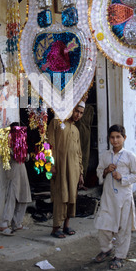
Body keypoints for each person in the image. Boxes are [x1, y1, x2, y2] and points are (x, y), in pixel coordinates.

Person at [94, 124, 136, 269]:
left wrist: (122, 178)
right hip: (108, 196)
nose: (115, 140)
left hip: (123, 197)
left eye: (118, 137)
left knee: (123, 227)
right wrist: (106, 170)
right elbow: (99, 172)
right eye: (112, 137)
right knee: (103, 225)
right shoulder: (105, 155)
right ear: (109, 139)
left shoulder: (129, 156)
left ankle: (119, 255)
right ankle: (106, 249)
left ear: (124, 138)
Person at [47, 102, 85, 238]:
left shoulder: (76, 130)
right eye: (77, 111)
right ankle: (55, 227)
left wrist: (80, 172)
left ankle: (66, 225)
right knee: (60, 195)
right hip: (60, 167)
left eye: (81, 113)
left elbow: (79, 153)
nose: (78, 115)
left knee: (71, 197)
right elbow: (49, 144)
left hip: (74, 169)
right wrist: (50, 164)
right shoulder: (56, 122)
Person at [0, 123, 32, 236]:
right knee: (12, 198)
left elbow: (26, 158)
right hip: (13, 172)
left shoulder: (21, 143)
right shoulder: (7, 144)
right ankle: (4, 223)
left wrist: (23, 146)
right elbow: (15, 156)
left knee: (24, 196)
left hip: (22, 172)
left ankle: (17, 222)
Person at [75, 92, 94, 180]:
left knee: (85, 156)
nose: (84, 97)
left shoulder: (89, 109)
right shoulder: (73, 109)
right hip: (75, 134)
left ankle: (83, 179)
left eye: (86, 95)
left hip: (86, 135)